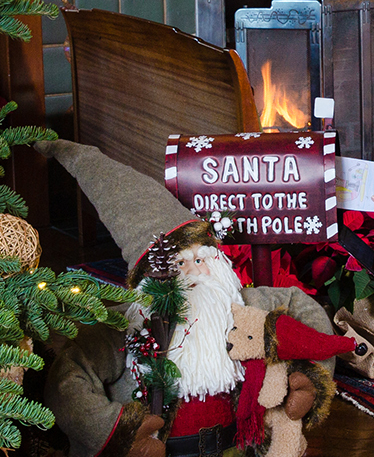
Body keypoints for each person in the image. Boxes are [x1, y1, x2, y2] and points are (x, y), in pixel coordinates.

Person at [36, 139, 336, 457]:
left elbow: (302, 308)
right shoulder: (126, 326)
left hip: (237, 448)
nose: (192, 273)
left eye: (200, 259)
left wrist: (309, 376)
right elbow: (69, 376)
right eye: (178, 264)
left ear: (218, 264)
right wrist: (121, 431)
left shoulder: (241, 308)